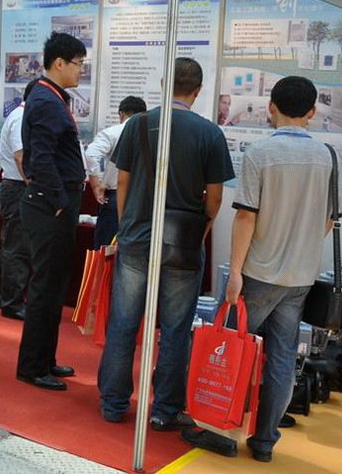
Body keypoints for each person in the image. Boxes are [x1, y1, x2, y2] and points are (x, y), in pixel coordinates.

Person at [182, 76, 334, 462]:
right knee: (282, 359)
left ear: (271, 107)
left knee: (229, 347)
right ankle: (265, 442)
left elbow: (246, 217)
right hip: (300, 276)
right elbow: (329, 221)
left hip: (259, 272)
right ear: (312, 112)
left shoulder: (260, 153)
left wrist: (234, 271)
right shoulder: (325, 156)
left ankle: (219, 432)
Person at [97, 57, 234, 427]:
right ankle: (164, 410)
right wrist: (201, 229)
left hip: (137, 238)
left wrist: (126, 226)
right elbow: (215, 197)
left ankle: (113, 403)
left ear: (163, 83)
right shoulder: (210, 133)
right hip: (183, 243)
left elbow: (122, 181)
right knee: (175, 329)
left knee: (124, 322)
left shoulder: (137, 124)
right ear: (198, 90)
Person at [16, 32, 88, 391]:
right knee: (45, 288)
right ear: (58, 63)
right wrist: (59, 200)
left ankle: (46, 358)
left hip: (57, 203)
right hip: (50, 206)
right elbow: (40, 158)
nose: (80, 70)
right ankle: (32, 366)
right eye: (78, 64)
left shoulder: (52, 96)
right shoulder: (46, 99)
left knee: (55, 286)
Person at [0, 78, 38, 320]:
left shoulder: (20, 115)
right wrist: (32, 182)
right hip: (18, 186)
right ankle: (12, 302)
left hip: (14, 186)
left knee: (10, 244)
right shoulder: (22, 118)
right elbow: (21, 156)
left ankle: (4, 296)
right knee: (17, 247)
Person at [85, 96, 147, 248]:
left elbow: (91, 154)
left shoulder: (112, 133)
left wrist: (97, 183)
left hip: (115, 195)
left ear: (121, 114)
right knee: (136, 248)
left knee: (106, 247)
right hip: (143, 197)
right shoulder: (152, 134)